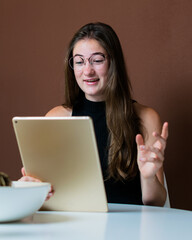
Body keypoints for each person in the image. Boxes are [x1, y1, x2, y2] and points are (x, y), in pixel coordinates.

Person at [20, 22, 169, 206]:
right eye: (79, 61)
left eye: (97, 60)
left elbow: (156, 203)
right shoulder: (56, 118)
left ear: (114, 63)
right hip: (74, 230)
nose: (87, 71)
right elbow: (45, 199)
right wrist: (28, 190)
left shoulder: (146, 117)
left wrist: (148, 177)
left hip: (128, 230)